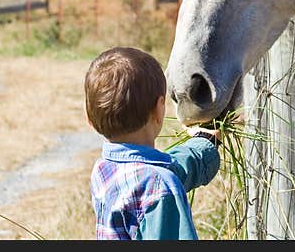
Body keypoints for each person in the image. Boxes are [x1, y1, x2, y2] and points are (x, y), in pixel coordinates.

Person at [84, 46, 221, 240]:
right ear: (159, 109)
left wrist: (204, 143)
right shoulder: (160, 187)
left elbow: (168, 169)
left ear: (88, 117)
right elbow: (160, 179)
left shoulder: (104, 170)